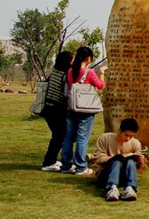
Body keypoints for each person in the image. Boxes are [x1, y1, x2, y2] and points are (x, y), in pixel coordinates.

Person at [60, 46, 106, 176]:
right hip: (86, 109)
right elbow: (100, 86)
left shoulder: (70, 72)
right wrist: (102, 72)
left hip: (72, 107)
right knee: (82, 138)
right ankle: (80, 166)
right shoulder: (89, 72)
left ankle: (66, 165)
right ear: (88, 58)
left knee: (68, 137)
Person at [93, 118, 142, 201]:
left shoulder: (136, 143)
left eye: (131, 136)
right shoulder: (105, 138)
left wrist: (140, 161)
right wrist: (115, 157)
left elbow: (137, 167)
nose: (128, 138)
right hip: (106, 175)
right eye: (126, 135)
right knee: (117, 160)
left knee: (130, 160)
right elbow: (98, 159)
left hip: (123, 176)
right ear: (120, 131)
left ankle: (130, 188)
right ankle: (112, 188)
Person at [41, 51, 74, 172]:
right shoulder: (64, 75)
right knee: (60, 136)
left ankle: (52, 160)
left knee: (58, 135)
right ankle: (49, 162)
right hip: (57, 110)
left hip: (49, 109)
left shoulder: (54, 72)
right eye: (72, 60)